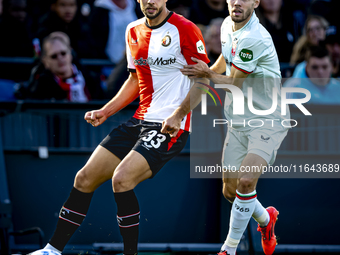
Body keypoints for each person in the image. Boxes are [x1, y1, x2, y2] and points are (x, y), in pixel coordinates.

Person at [29, 1, 210, 255]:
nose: (150, 1)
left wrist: (179, 114)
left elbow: (203, 78)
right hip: (139, 121)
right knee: (84, 178)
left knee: (122, 180)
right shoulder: (133, 30)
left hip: (171, 126)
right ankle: (52, 250)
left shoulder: (185, 28)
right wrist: (106, 111)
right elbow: (135, 79)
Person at [180, 0, 290, 254]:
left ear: (256, 2)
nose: (237, 2)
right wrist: (207, 70)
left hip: (267, 120)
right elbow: (224, 60)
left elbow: (235, 83)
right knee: (231, 191)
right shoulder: (228, 24)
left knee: (246, 181)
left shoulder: (255, 37)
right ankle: (266, 219)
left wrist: (204, 74)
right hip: (237, 120)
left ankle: (228, 250)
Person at [27, 33, 103, 101]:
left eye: (63, 53)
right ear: (45, 61)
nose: (60, 58)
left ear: (70, 53)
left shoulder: (92, 79)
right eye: (54, 56)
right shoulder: (40, 88)